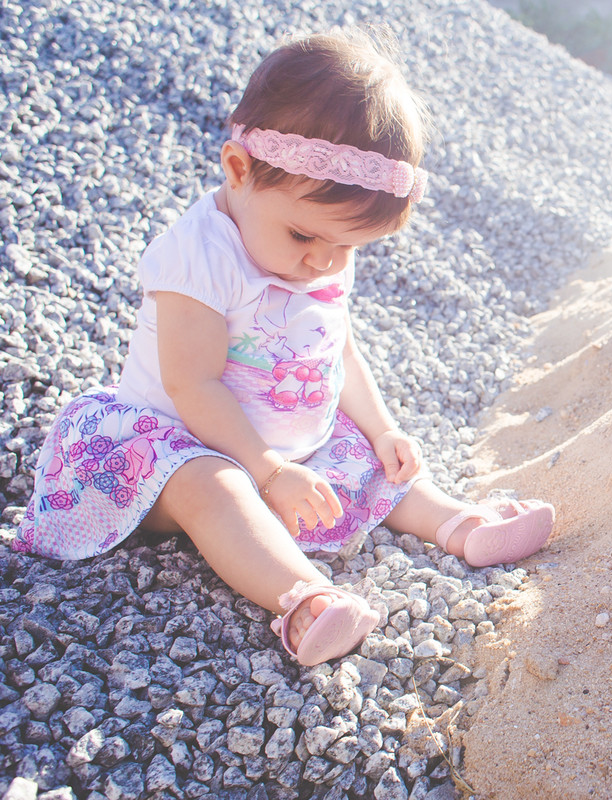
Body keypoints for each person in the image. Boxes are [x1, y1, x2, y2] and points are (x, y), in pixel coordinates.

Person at [12, 28, 553, 666]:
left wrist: (382, 429)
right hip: (170, 444)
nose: (324, 261)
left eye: (347, 246)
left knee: (365, 456)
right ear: (239, 171)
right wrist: (268, 471)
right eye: (303, 235)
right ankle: (304, 598)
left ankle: (458, 523)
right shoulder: (202, 257)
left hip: (289, 447)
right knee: (215, 487)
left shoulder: (318, 253)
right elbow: (193, 386)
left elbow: (335, 348)